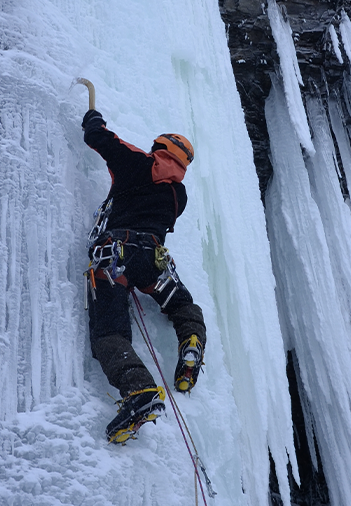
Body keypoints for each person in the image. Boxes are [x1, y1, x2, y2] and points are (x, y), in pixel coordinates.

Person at [81, 108, 207, 444]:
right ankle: (191, 341)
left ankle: (139, 390)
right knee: (180, 302)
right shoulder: (178, 195)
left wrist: (93, 120)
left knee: (108, 331)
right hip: (153, 260)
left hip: (116, 254)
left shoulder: (138, 163)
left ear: (158, 148)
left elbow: (102, 141)